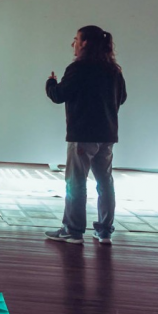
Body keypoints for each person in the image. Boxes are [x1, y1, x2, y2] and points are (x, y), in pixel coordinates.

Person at [45, 25, 127, 245]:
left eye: (76, 39)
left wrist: (51, 83)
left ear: (85, 43)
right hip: (107, 135)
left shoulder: (78, 68)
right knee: (105, 182)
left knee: (76, 183)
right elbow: (123, 97)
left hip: (82, 135)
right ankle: (105, 231)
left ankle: (73, 230)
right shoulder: (114, 70)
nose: (73, 44)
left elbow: (59, 95)